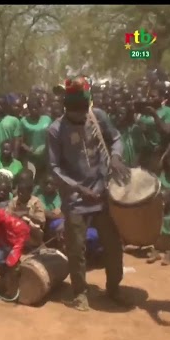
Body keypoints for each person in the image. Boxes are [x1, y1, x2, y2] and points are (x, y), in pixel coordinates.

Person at [47, 75, 132, 311]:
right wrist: (78, 188)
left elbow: (116, 138)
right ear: (66, 107)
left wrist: (115, 157)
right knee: (76, 249)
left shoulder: (98, 117)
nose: (81, 114)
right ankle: (80, 293)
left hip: (103, 192)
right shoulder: (55, 130)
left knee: (113, 244)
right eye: (76, 110)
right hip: (75, 199)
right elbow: (54, 167)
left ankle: (113, 288)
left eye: (84, 108)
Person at [7, 170, 46, 248]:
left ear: (29, 192)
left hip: (32, 233)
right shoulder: (14, 201)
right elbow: (6, 216)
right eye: (19, 192)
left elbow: (42, 220)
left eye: (23, 192)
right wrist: (16, 215)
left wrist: (27, 214)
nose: (20, 194)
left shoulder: (36, 202)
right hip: (16, 231)